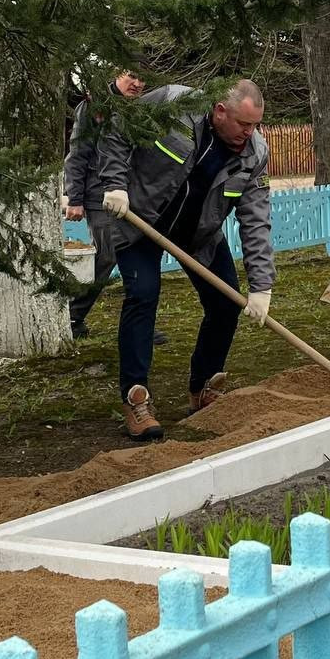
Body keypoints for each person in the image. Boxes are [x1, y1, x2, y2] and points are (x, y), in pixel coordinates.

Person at [99, 79, 274, 441]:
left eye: (255, 124)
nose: (250, 132)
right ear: (220, 111)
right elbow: (118, 128)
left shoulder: (255, 153)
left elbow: (256, 220)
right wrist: (115, 183)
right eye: (244, 124)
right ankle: (136, 398)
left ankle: (203, 387)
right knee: (143, 295)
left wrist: (262, 286)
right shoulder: (173, 105)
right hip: (141, 221)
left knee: (226, 303)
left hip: (198, 235)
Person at [64, 71, 161, 341]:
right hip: (100, 196)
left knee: (138, 258)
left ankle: (141, 324)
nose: (138, 84)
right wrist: (75, 198)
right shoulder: (94, 106)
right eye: (132, 76)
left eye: (143, 79)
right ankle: (72, 315)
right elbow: (78, 153)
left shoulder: (143, 108)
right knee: (106, 256)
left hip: (133, 196)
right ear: (118, 72)